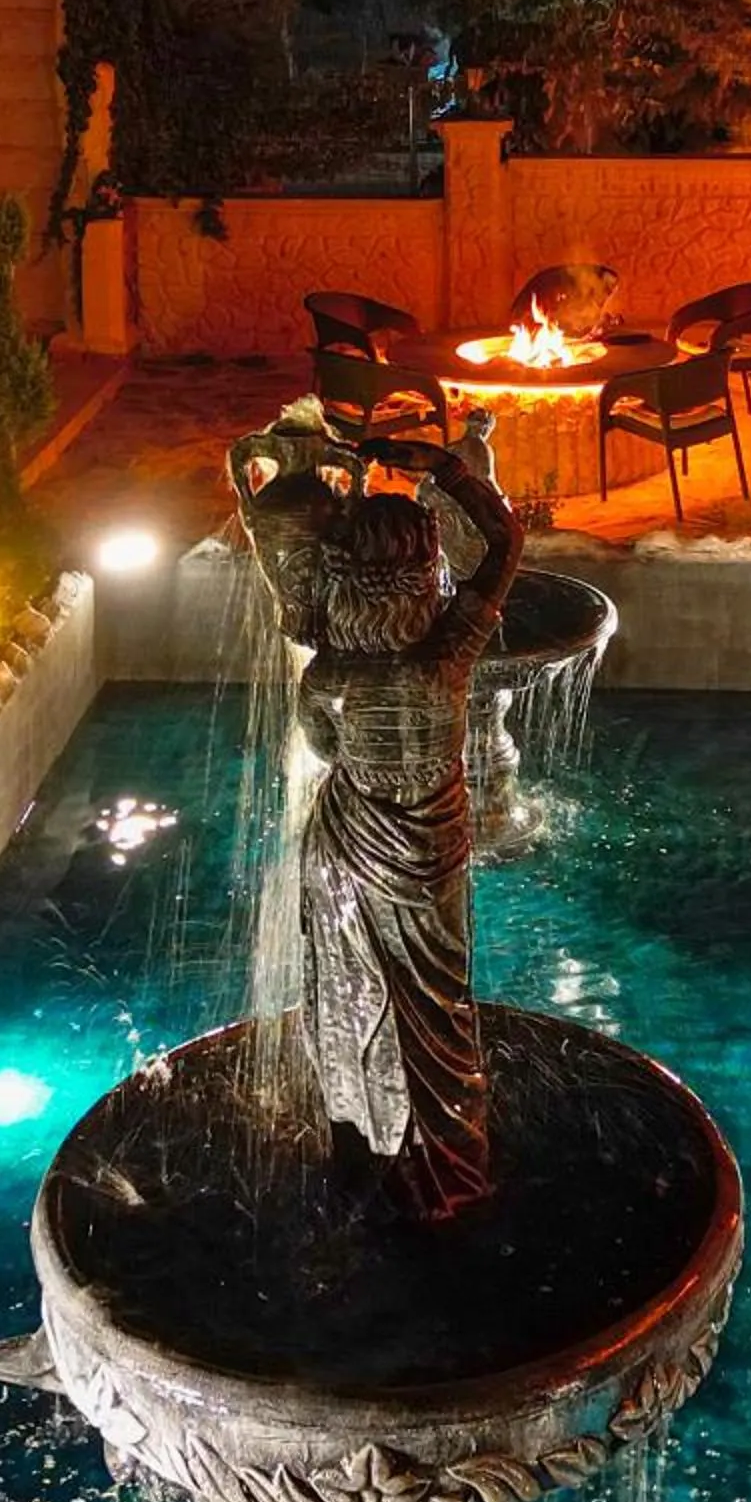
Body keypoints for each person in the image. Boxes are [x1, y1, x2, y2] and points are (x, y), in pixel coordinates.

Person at [228, 423, 522, 1218]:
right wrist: (449, 472)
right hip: (434, 845)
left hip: (352, 842)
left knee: (353, 981)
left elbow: (320, 748)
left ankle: (364, 1124)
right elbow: (504, 541)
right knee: (441, 1004)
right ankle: (457, 1169)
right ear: (424, 580)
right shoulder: (448, 658)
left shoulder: (330, 675)